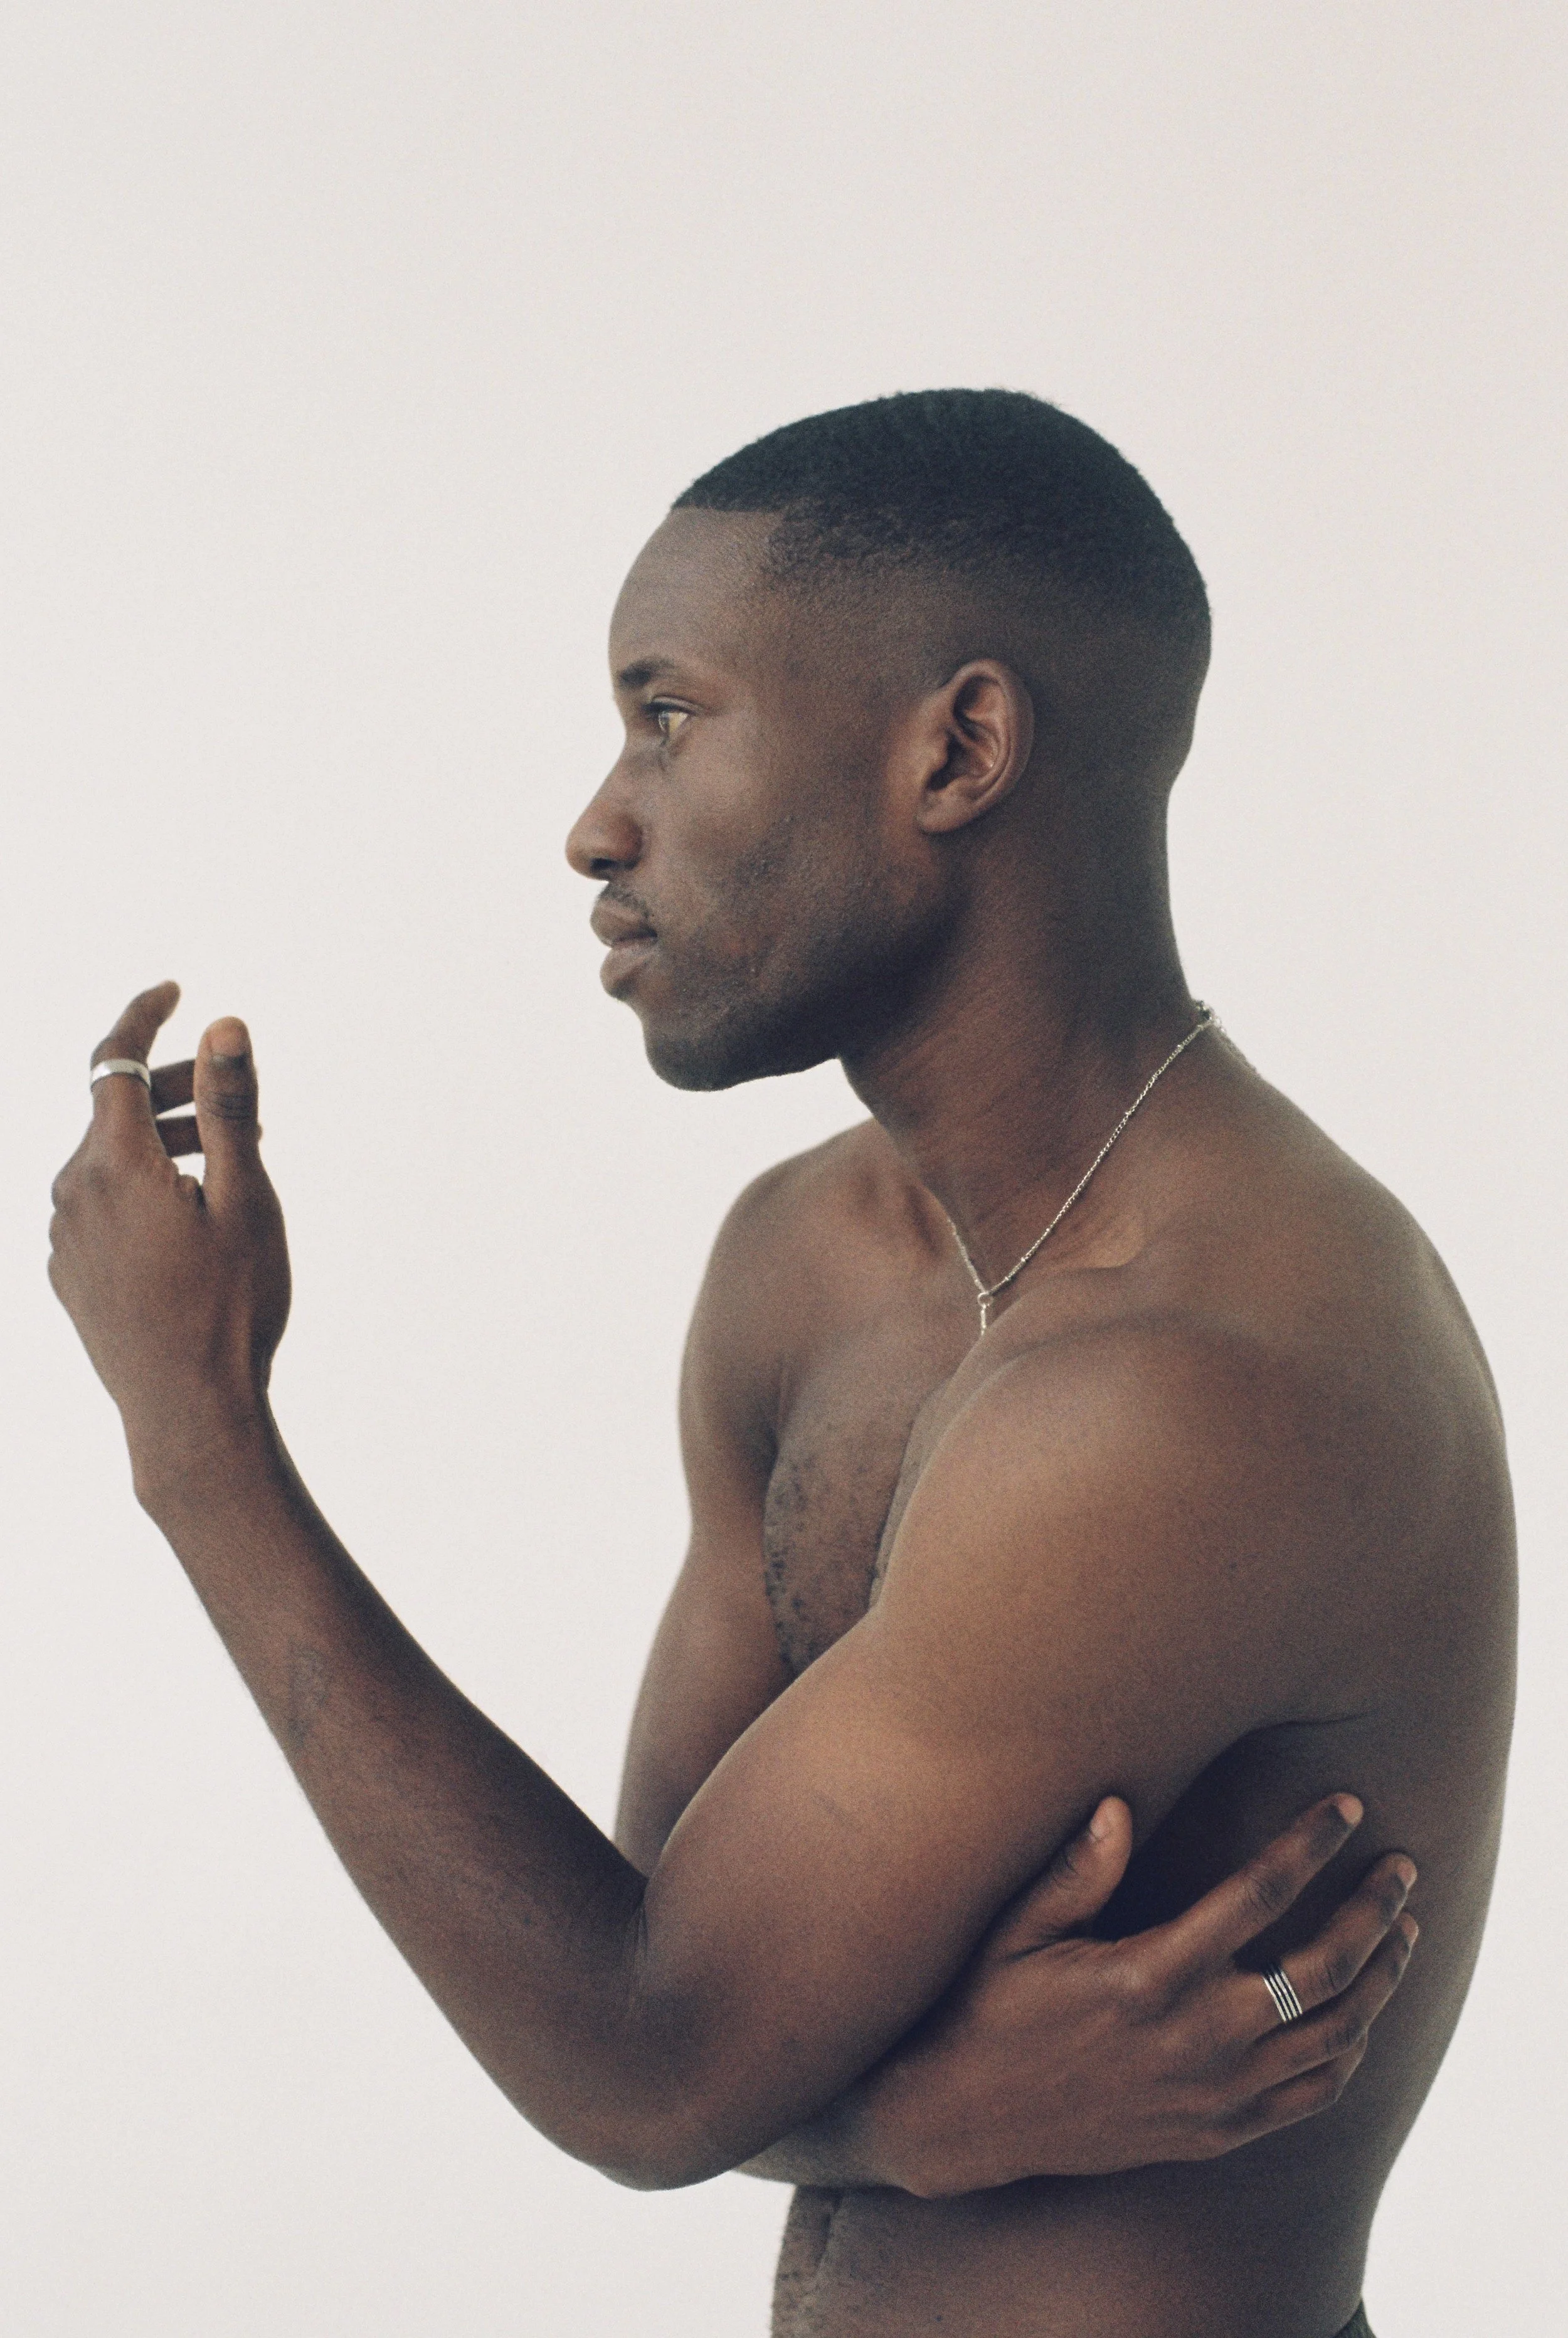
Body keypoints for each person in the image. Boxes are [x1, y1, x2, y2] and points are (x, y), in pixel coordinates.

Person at [48, 390, 1514, 2338]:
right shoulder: (810, 1266)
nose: (596, 820)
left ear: (959, 749)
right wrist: (907, 2119)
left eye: (668, 713)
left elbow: (643, 2065)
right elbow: (626, 1955)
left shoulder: (1191, 1382)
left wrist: (198, 1437)